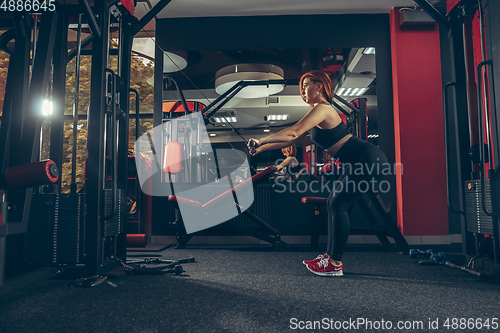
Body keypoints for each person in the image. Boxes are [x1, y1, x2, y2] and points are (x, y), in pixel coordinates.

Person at [248, 70, 388, 277]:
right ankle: (331, 258)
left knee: (337, 203)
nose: (303, 91)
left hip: (367, 159)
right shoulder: (316, 112)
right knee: (335, 202)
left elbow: (293, 131)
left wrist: (261, 139)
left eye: (306, 85)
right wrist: (261, 149)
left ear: (319, 86)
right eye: (302, 87)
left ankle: (334, 262)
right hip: (359, 162)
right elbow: (290, 140)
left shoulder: (323, 109)